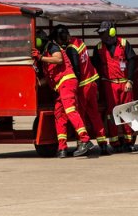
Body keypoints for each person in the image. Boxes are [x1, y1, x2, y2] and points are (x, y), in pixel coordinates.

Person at [32, 29, 95, 158]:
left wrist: (40, 57)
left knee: (70, 110)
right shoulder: (45, 55)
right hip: (60, 87)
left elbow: (59, 59)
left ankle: (85, 140)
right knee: (59, 115)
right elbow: (48, 78)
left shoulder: (52, 46)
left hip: (66, 82)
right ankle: (62, 148)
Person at [52, 25, 113, 156]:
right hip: (92, 82)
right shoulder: (79, 42)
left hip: (83, 86)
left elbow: (76, 69)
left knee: (80, 115)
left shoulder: (70, 49)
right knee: (95, 115)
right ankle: (103, 144)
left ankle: (82, 144)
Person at [92, 21, 137, 152]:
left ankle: (129, 142)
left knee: (127, 111)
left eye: (103, 33)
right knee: (112, 114)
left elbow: (132, 61)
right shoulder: (99, 48)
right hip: (109, 84)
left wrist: (130, 81)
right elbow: (94, 67)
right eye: (100, 33)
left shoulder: (123, 44)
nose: (101, 36)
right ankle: (115, 142)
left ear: (111, 32)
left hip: (124, 84)